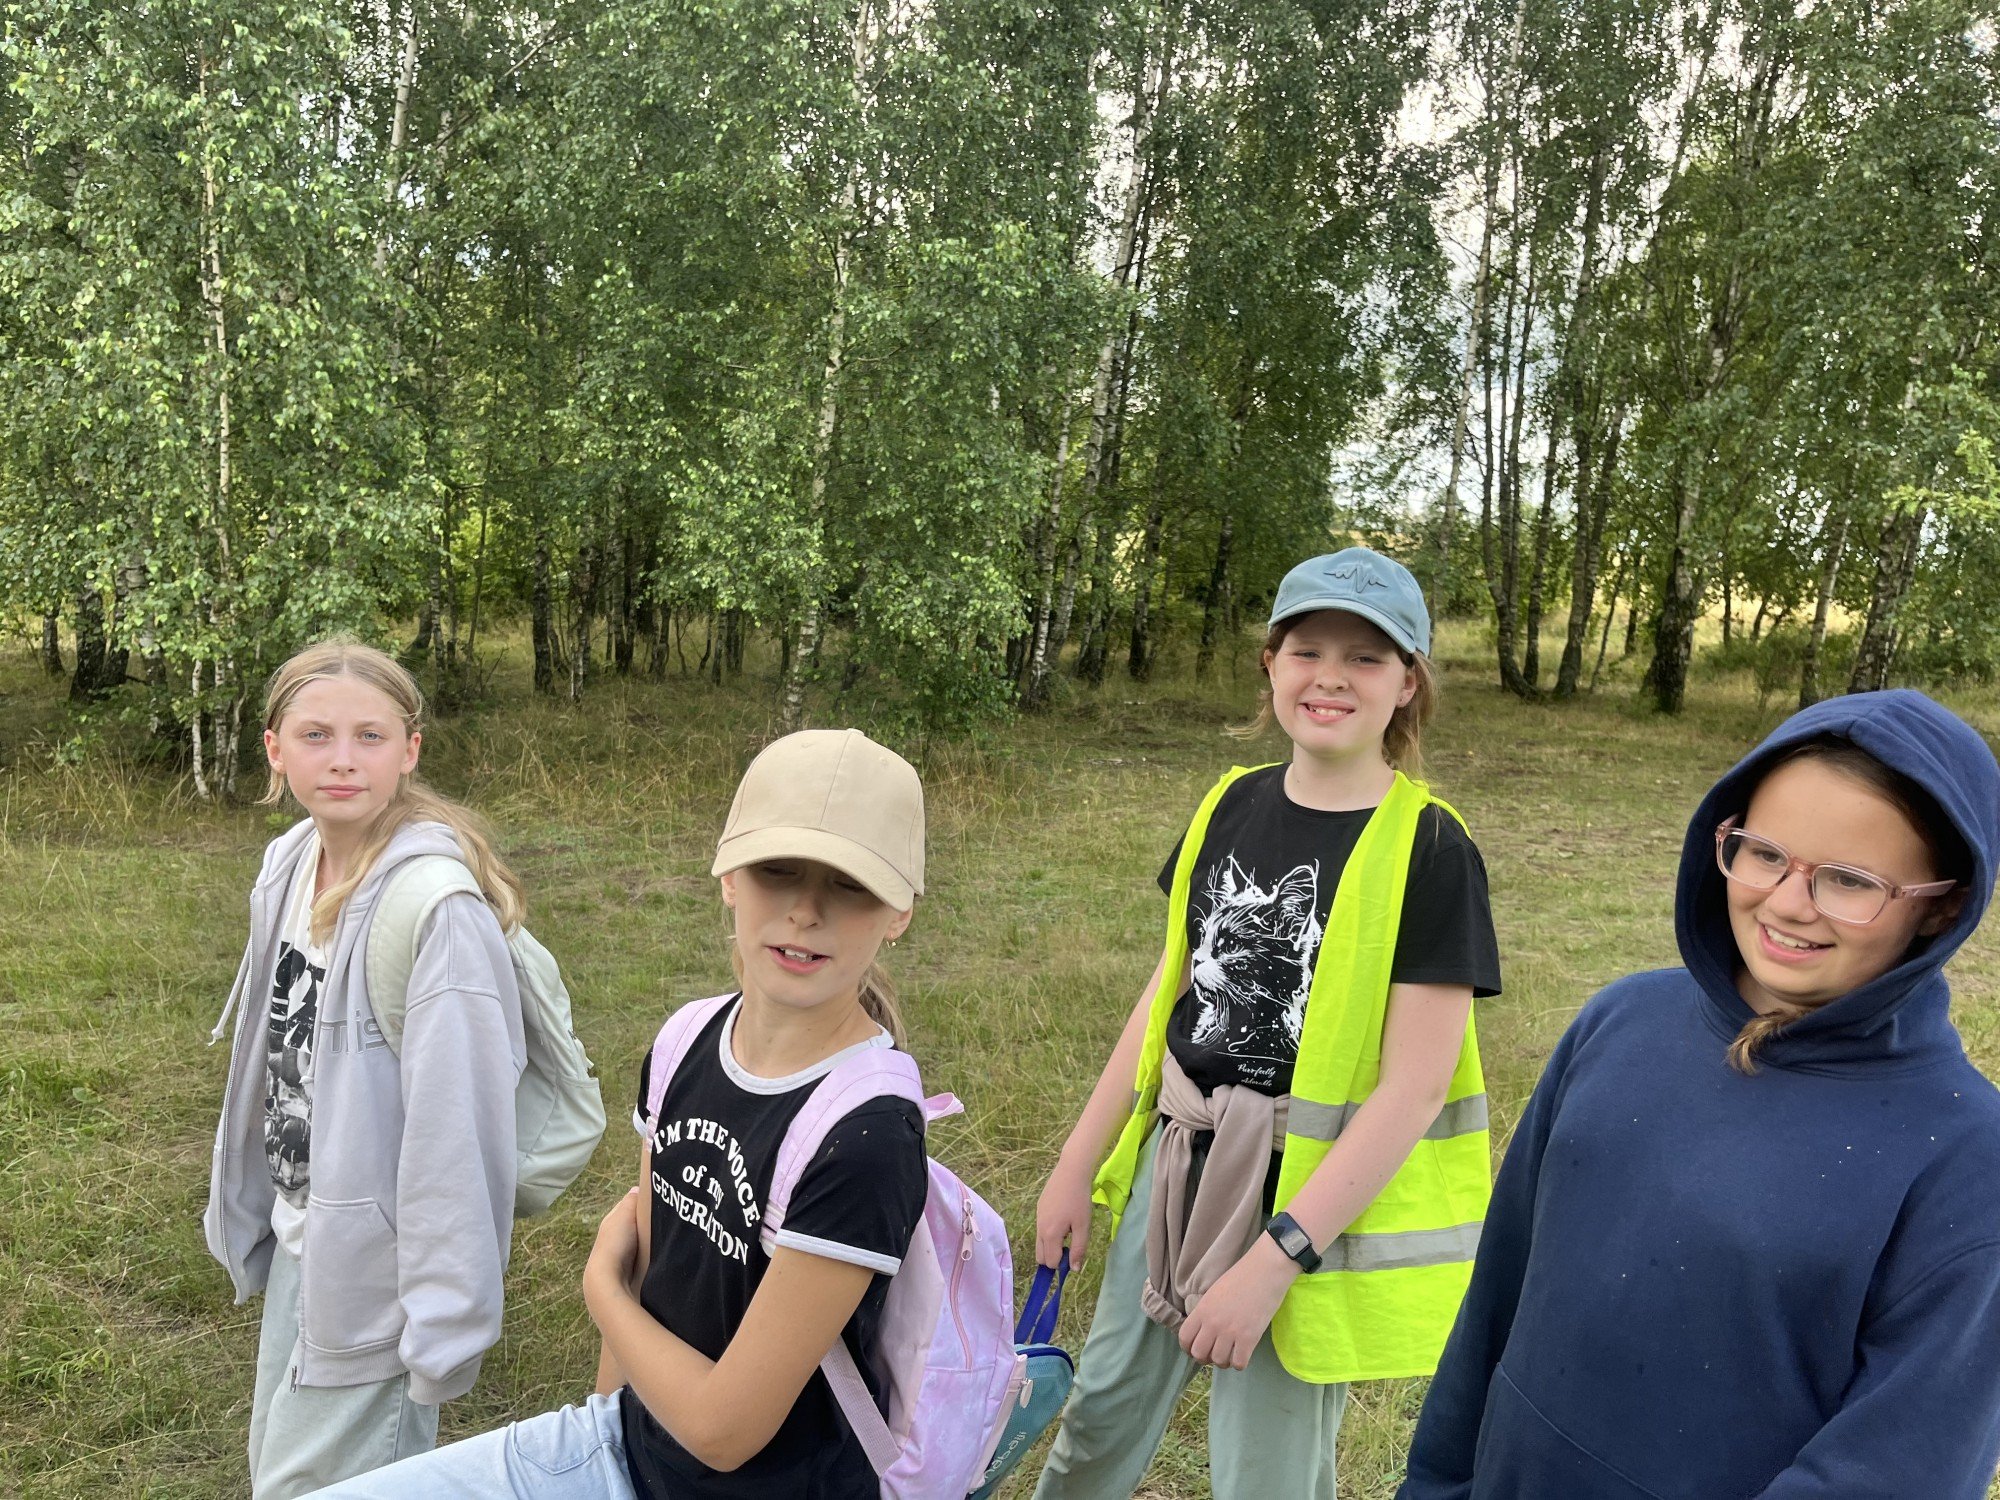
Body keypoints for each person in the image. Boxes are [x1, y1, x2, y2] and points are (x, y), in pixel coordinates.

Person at [1400, 688, 2000, 1499]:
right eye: (1763, 854)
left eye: (1850, 881)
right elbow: (1498, 1295)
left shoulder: (1965, 1157)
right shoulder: (1620, 1021)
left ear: (1944, 907)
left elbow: (1896, 1465)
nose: (1787, 903)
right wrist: (1436, 1483)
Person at [304, 727, 931, 1500]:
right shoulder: (688, 1040)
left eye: (850, 884)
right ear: (729, 877)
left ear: (899, 913)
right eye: (777, 869)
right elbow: (655, 1279)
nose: (805, 910)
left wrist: (601, 1286)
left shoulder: (866, 1137)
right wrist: (604, 1417)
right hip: (626, 1448)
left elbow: (724, 1431)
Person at [1032, 548, 1503, 1500]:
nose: (1331, 678)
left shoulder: (1431, 848)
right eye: (1308, 650)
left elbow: (1415, 1090)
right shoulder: (1229, 804)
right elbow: (1166, 997)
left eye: (1366, 658)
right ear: (1271, 663)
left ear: (1408, 682)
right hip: (1179, 1159)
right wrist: (1077, 1164)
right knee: (1098, 1422)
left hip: (1307, 1201)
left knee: (1268, 1472)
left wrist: (1279, 1258)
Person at [204, 640, 528, 1498]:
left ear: (410, 750)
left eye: (370, 736)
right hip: (306, 1239)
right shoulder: (289, 863)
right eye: (315, 735)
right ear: (274, 749)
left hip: (379, 1278)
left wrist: (443, 1325)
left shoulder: (436, 911)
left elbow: (459, 1135)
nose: (343, 759)